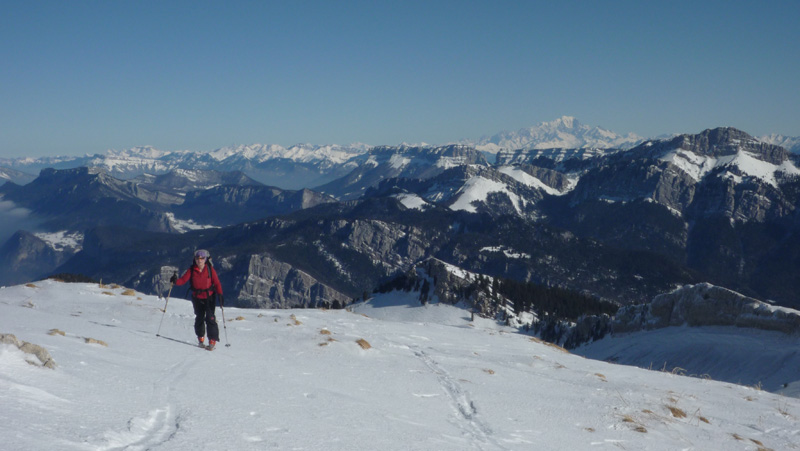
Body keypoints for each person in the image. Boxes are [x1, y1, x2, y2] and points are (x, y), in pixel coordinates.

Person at [170, 249, 224, 349]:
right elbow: (183, 280)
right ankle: (201, 338)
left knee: (210, 318)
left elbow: (216, 283)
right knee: (199, 318)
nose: (199, 261)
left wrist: (220, 295)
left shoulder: (210, 269)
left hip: (209, 297)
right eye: (197, 258)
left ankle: (212, 340)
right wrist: (175, 281)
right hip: (197, 298)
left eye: (202, 258)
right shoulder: (191, 270)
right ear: (195, 259)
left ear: (205, 259)